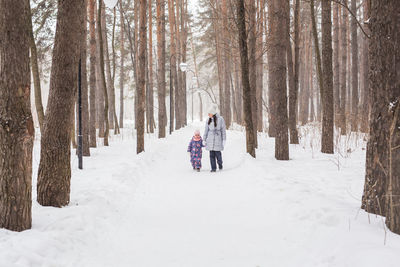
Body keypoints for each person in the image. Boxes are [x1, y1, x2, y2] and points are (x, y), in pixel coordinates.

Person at [203, 104, 226, 172]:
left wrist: (224, 139)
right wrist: (204, 139)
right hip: (210, 139)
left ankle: (220, 164)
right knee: (211, 155)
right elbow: (206, 130)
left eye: (209, 113)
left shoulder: (221, 119)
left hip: (218, 139)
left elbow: (223, 130)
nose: (208, 114)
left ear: (213, 113)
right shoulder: (208, 120)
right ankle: (213, 168)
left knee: (218, 154)